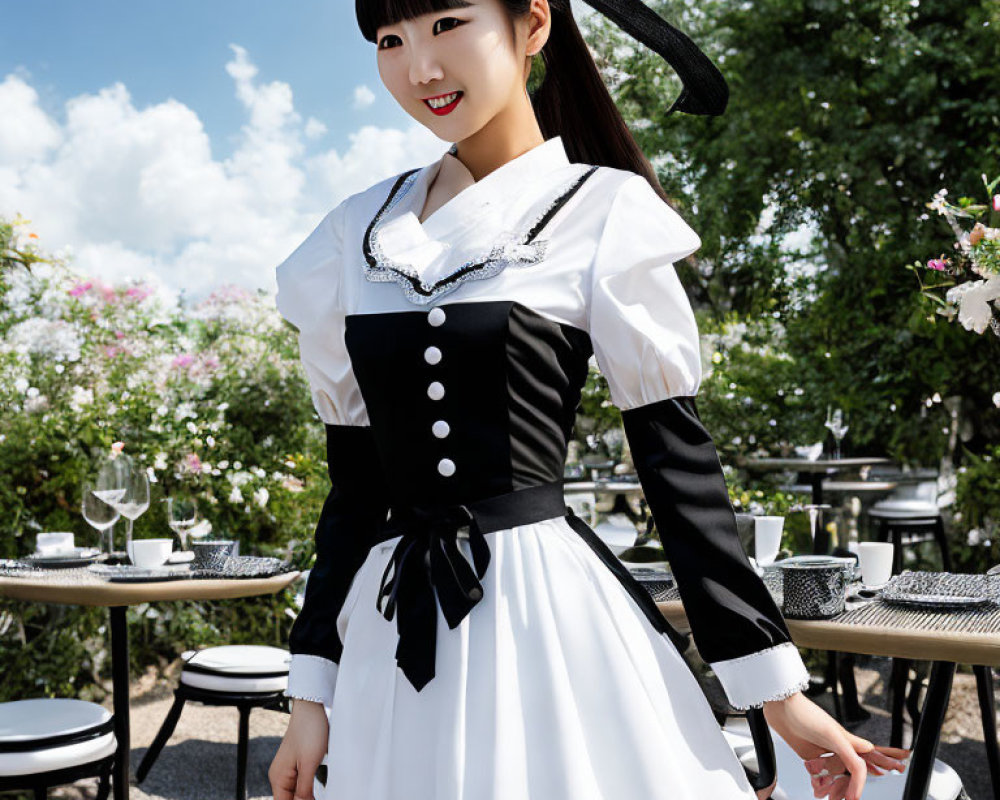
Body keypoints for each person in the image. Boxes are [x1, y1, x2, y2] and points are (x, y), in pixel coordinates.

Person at [269, 1, 908, 799]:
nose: (419, 68)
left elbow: (677, 469)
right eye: (391, 40)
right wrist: (309, 695)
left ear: (533, 25)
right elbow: (357, 491)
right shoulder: (351, 234)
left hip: (546, 624)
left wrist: (777, 692)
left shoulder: (604, 210)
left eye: (447, 24)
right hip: (390, 636)